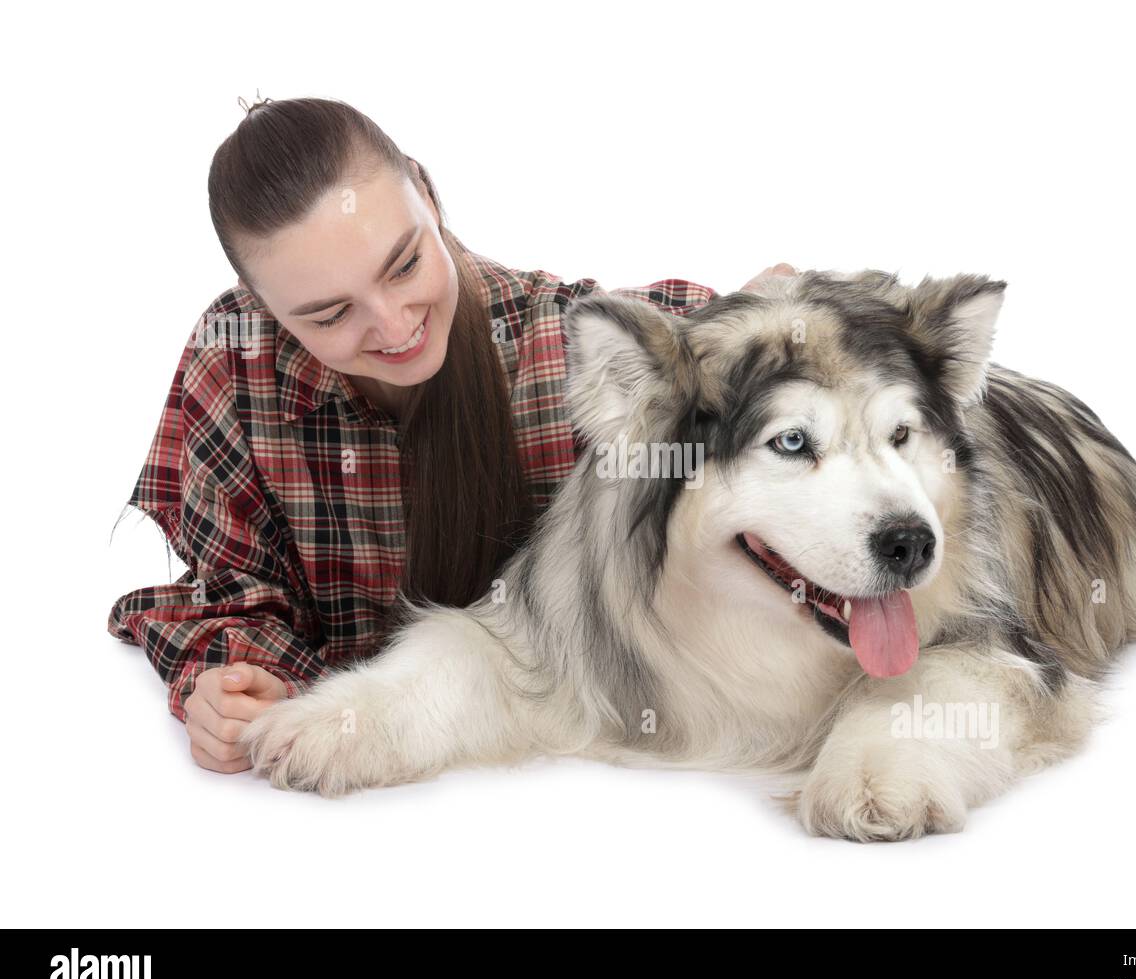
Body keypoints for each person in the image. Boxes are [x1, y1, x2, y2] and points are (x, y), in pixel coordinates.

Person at [107, 95, 796, 775]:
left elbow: (705, 348)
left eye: (404, 264)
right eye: (329, 314)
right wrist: (234, 684)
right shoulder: (233, 358)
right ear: (262, 307)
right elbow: (230, 591)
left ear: (427, 195)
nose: (393, 323)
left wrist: (770, 327)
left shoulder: (554, 353)